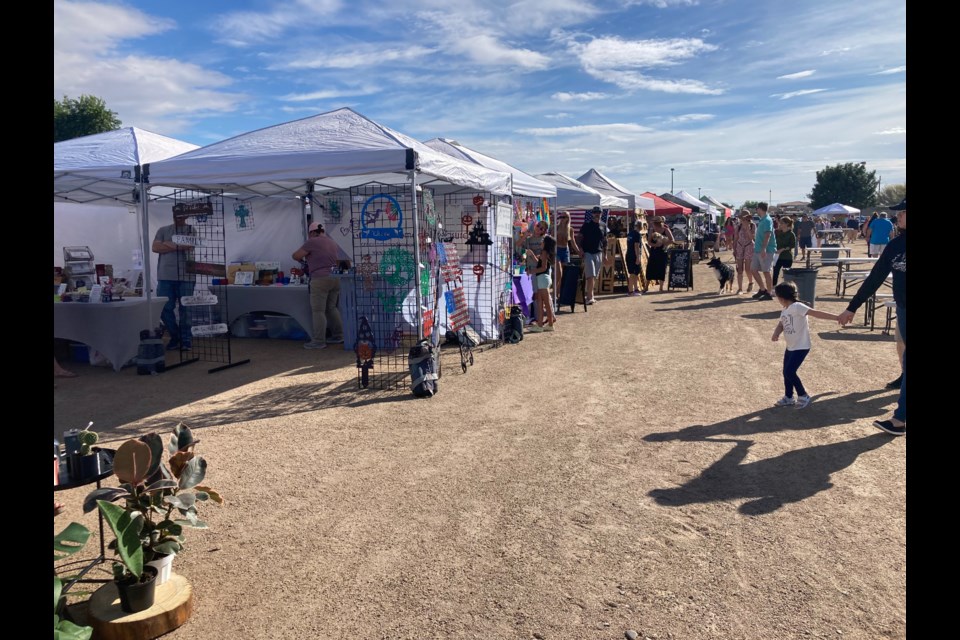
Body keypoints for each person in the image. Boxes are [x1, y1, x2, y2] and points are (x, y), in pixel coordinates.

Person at [839, 199, 906, 436]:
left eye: (902, 213)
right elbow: (876, 278)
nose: (897, 216)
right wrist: (852, 307)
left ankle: (900, 419)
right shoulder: (896, 245)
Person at [771, 281, 841, 408]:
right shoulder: (785, 310)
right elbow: (781, 323)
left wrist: (837, 317)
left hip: (801, 347)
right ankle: (789, 397)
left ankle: (803, 395)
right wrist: (776, 333)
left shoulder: (798, 307)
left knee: (790, 372)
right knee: (786, 372)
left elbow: (816, 313)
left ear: (781, 297)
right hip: (790, 347)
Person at [292, 222, 344, 350]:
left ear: (313, 232)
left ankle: (319, 341)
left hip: (320, 279)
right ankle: (339, 335)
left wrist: (304, 260)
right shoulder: (332, 242)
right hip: (335, 278)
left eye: (310, 234)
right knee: (331, 308)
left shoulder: (312, 242)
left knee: (318, 310)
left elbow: (295, 255)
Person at [152, 207, 196, 350]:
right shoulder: (163, 229)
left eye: (182, 214)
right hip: (165, 276)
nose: (178, 216)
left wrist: (168, 244)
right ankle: (175, 336)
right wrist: (178, 246)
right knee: (164, 308)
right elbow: (155, 247)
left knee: (186, 309)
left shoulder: (191, 229)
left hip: (186, 276)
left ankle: (186, 340)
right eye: (176, 213)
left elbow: (189, 245)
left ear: (187, 215)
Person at [525, 220, 557, 332]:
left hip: (542, 278)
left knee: (545, 302)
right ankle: (540, 324)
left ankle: (550, 324)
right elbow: (538, 261)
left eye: (543, 241)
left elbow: (543, 267)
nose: (541, 242)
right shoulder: (545, 253)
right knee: (540, 301)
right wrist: (532, 255)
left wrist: (532, 271)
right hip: (542, 278)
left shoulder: (544, 252)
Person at [578, 207, 607, 305]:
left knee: (595, 276)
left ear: (601, 213)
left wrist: (605, 254)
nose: (596, 214)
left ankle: (591, 295)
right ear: (592, 214)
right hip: (588, 252)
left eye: (598, 212)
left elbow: (604, 241)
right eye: (595, 212)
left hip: (598, 252)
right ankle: (589, 297)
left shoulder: (603, 225)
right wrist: (580, 249)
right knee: (591, 275)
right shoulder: (586, 225)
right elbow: (579, 237)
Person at [750, 202, 777, 301]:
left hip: (766, 250)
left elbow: (768, 234)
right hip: (758, 250)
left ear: (760, 209)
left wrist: (764, 248)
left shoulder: (767, 220)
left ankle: (769, 293)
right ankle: (762, 289)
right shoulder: (762, 220)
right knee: (753, 269)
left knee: (766, 271)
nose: (756, 210)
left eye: (757, 208)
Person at [643, 216, 674, 293]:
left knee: (662, 268)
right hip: (654, 251)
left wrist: (664, 243)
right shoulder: (651, 230)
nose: (652, 224)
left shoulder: (665, 229)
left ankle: (661, 287)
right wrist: (655, 245)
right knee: (650, 268)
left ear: (657, 223)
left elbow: (672, 240)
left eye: (654, 223)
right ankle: (646, 287)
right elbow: (649, 241)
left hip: (663, 252)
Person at [732, 210, 756, 294]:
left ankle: (751, 282)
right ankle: (740, 288)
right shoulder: (738, 226)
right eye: (742, 218)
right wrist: (734, 249)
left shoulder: (752, 226)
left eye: (745, 218)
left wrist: (747, 228)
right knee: (739, 268)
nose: (743, 220)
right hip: (739, 246)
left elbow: (751, 238)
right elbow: (735, 239)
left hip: (749, 246)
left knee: (747, 268)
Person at [773, 216, 796, 286]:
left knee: (786, 275)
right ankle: (773, 288)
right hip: (777, 257)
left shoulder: (791, 234)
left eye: (782, 223)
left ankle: (787, 289)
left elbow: (792, 245)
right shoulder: (777, 232)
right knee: (775, 273)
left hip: (787, 257)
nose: (780, 224)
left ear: (787, 224)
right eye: (779, 223)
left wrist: (783, 249)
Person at [625, 220, 644, 296]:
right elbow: (636, 246)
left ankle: (636, 289)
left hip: (629, 254)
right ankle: (630, 291)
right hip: (633, 255)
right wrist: (638, 257)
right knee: (632, 273)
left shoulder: (630, 233)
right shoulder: (637, 234)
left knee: (636, 273)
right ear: (641, 226)